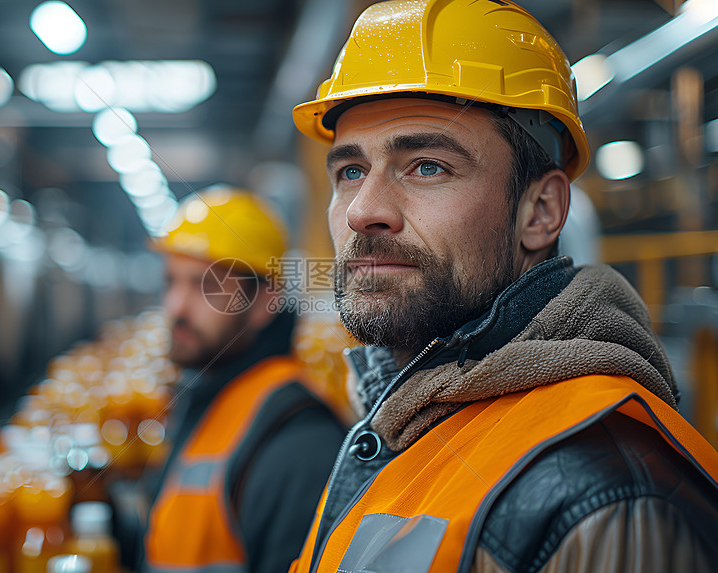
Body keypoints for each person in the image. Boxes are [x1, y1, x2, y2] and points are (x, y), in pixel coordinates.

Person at [288, 1, 718, 572]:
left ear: (539, 211)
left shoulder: (609, 494)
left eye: (427, 167)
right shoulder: (406, 421)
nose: (364, 211)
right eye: (350, 172)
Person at [138, 185, 345, 573]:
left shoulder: (297, 440)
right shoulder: (211, 392)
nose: (175, 307)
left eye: (205, 286)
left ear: (266, 302)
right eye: (170, 282)